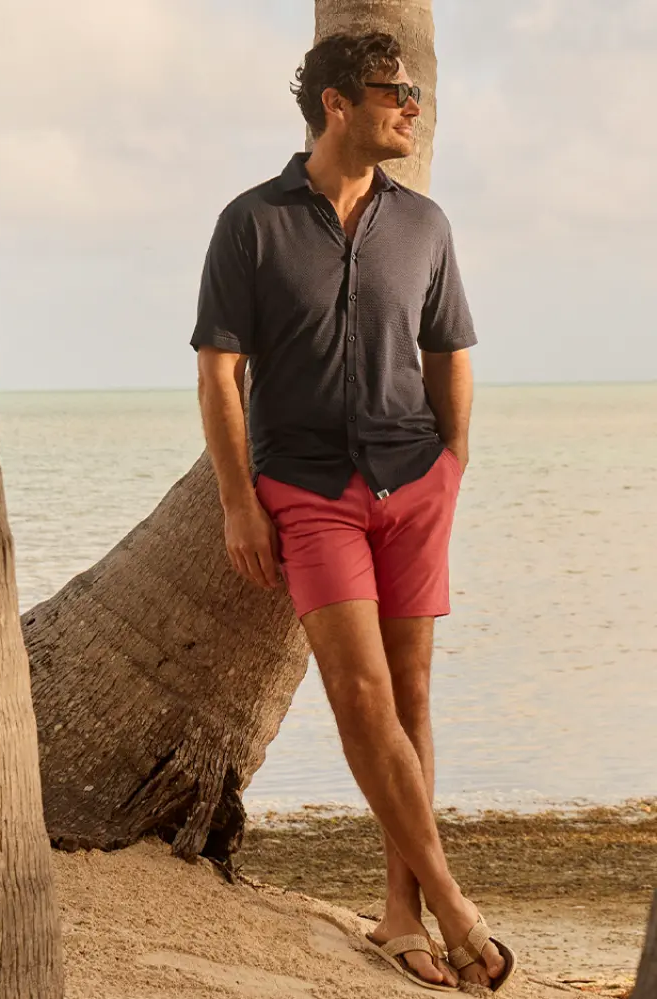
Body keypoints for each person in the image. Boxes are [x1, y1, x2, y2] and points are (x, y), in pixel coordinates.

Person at [191, 32, 516, 993]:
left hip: (412, 486)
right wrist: (238, 503)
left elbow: (449, 347)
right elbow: (219, 370)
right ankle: (456, 905)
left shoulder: (425, 224)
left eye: (415, 94)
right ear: (337, 103)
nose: (411, 107)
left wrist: (452, 464)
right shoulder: (250, 222)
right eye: (393, 93)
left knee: (411, 700)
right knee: (361, 697)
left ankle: (401, 913)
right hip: (308, 492)